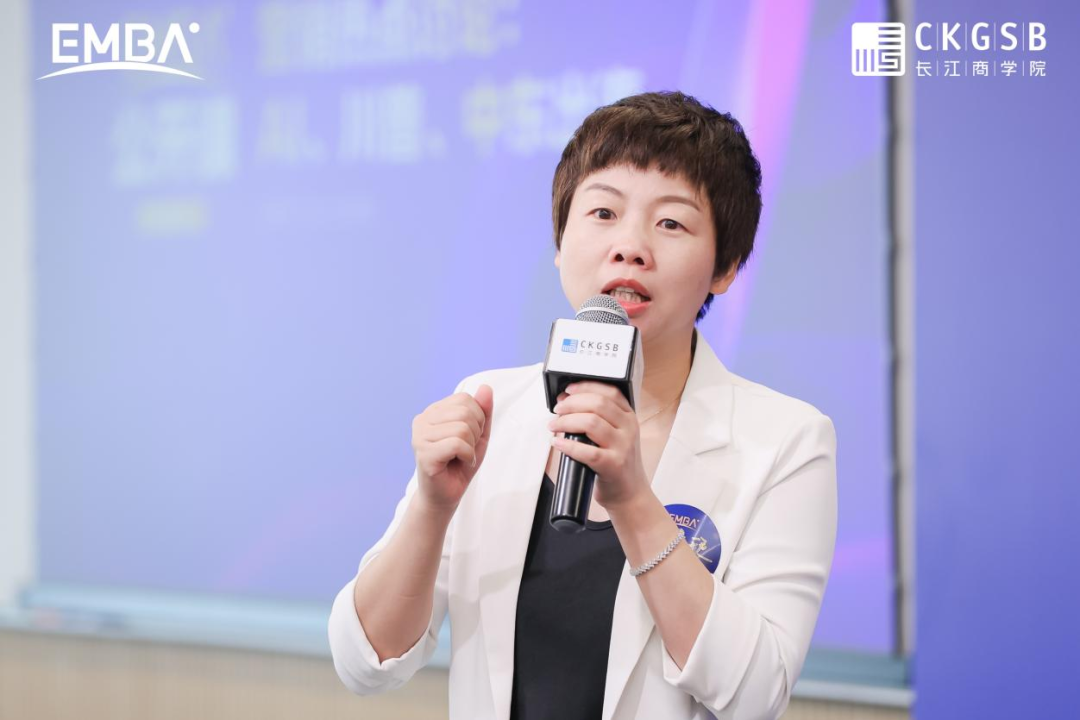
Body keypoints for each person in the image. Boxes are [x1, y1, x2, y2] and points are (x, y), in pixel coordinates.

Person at [328, 91, 838, 720]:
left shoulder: (786, 441)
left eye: (671, 223)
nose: (630, 246)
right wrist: (432, 510)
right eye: (602, 212)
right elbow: (364, 662)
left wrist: (633, 500)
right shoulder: (488, 406)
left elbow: (756, 694)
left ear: (726, 266)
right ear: (560, 242)